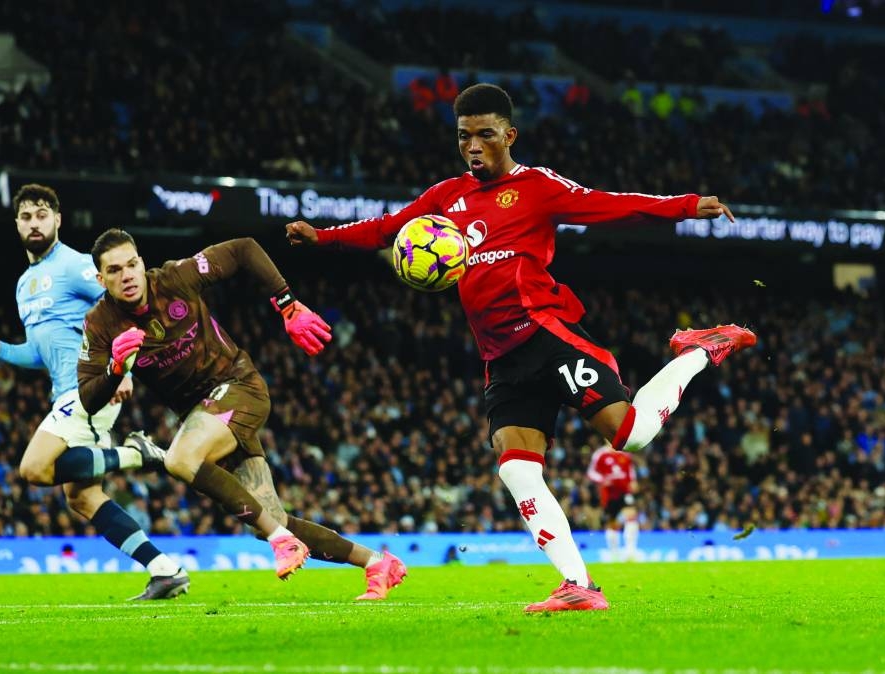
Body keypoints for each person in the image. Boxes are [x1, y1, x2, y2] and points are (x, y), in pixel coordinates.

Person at [285, 83, 756, 613]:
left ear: (509, 135)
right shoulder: (445, 198)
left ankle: (699, 350)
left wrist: (684, 206)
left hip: (545, 335)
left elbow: (607, 206)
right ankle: (578, 585)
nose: (473, 146)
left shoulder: (537, 186)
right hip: (501, 358)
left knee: (630, 436)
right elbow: (388, 230)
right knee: (516, 468)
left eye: (485, 135)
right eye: (464, 136)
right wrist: (323, 237)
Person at [77, 229, 407, 600]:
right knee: (271, 519)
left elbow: (243, 248)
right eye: (115, 270)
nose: (127, 275)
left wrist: (288, 305)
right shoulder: (100, 323)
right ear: (101, 279)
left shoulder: (174, 279)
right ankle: (376, 563)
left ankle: (281, 540)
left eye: (132, 264)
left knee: (180, 459)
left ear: (142, 263)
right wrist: (115, 369)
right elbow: (88, 398)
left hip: (238, 386)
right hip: (203, 415)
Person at [0, 183, 189, 600]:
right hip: (67, 391)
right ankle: (165, 569)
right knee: (83, 497)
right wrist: (2, 350)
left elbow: (124, 306)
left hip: (89, 386)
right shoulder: (24, 284)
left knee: (34, 468)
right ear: (17, 225)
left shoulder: (73, 265)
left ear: (58, 219)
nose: (34, 223)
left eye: (42, 215)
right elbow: (40, 351)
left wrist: (122, 367)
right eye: (26, 217)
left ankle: (137, 454)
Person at [587, 444, 639, 562]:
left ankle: (631, 551)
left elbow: (630, 470)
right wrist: (603, 479)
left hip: (625, 491)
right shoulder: (600, 454)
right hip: (609, 493)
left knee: (631, 516)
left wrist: (633, 481)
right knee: (613, 523)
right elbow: (591, 472)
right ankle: (614, 553)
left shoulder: (624, 453)